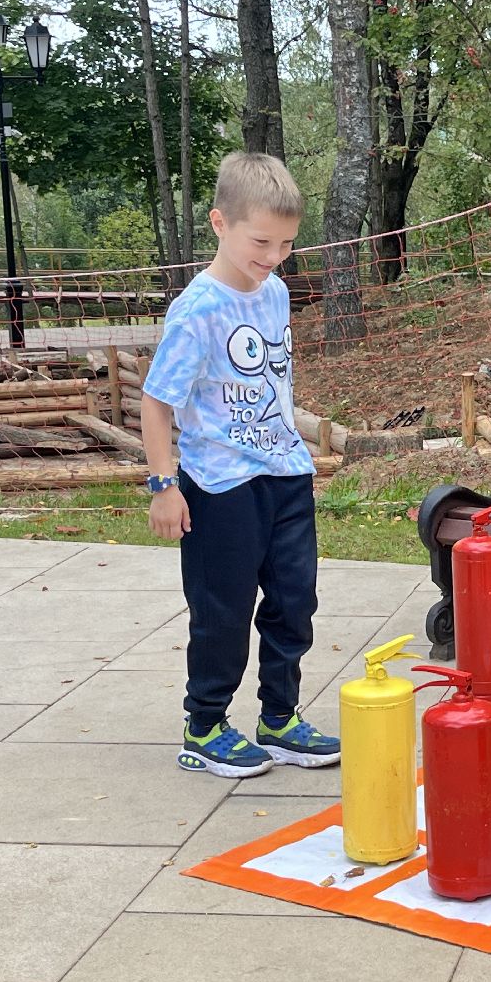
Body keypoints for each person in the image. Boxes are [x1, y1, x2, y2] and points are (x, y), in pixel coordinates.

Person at [141, 151, 339, 779]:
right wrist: (165, 485)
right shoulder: (197, 310)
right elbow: (156, 402)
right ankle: (204, 726)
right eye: (262, 241)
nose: (274, 256)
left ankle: (279, 718)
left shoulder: (276, 292)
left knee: (292, 602)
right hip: (220, 484)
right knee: (222, 608)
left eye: (286, 244)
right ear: (219, 223)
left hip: (285, 474)